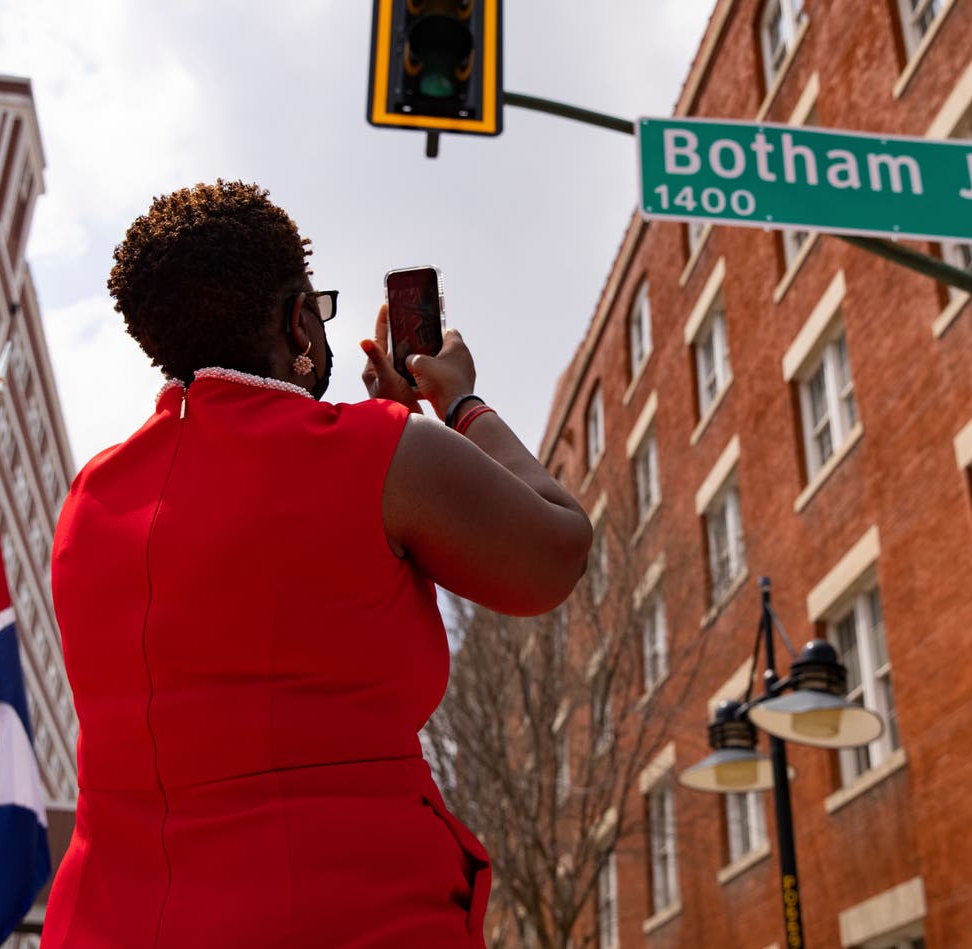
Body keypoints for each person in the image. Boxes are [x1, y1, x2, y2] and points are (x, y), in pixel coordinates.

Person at [41, 180, 592, 947]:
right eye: (320, 309)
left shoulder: (89, 502)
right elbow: (557, 550)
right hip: (352, 916)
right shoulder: (379, 447)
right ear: (298, 320)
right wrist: (458, 405)